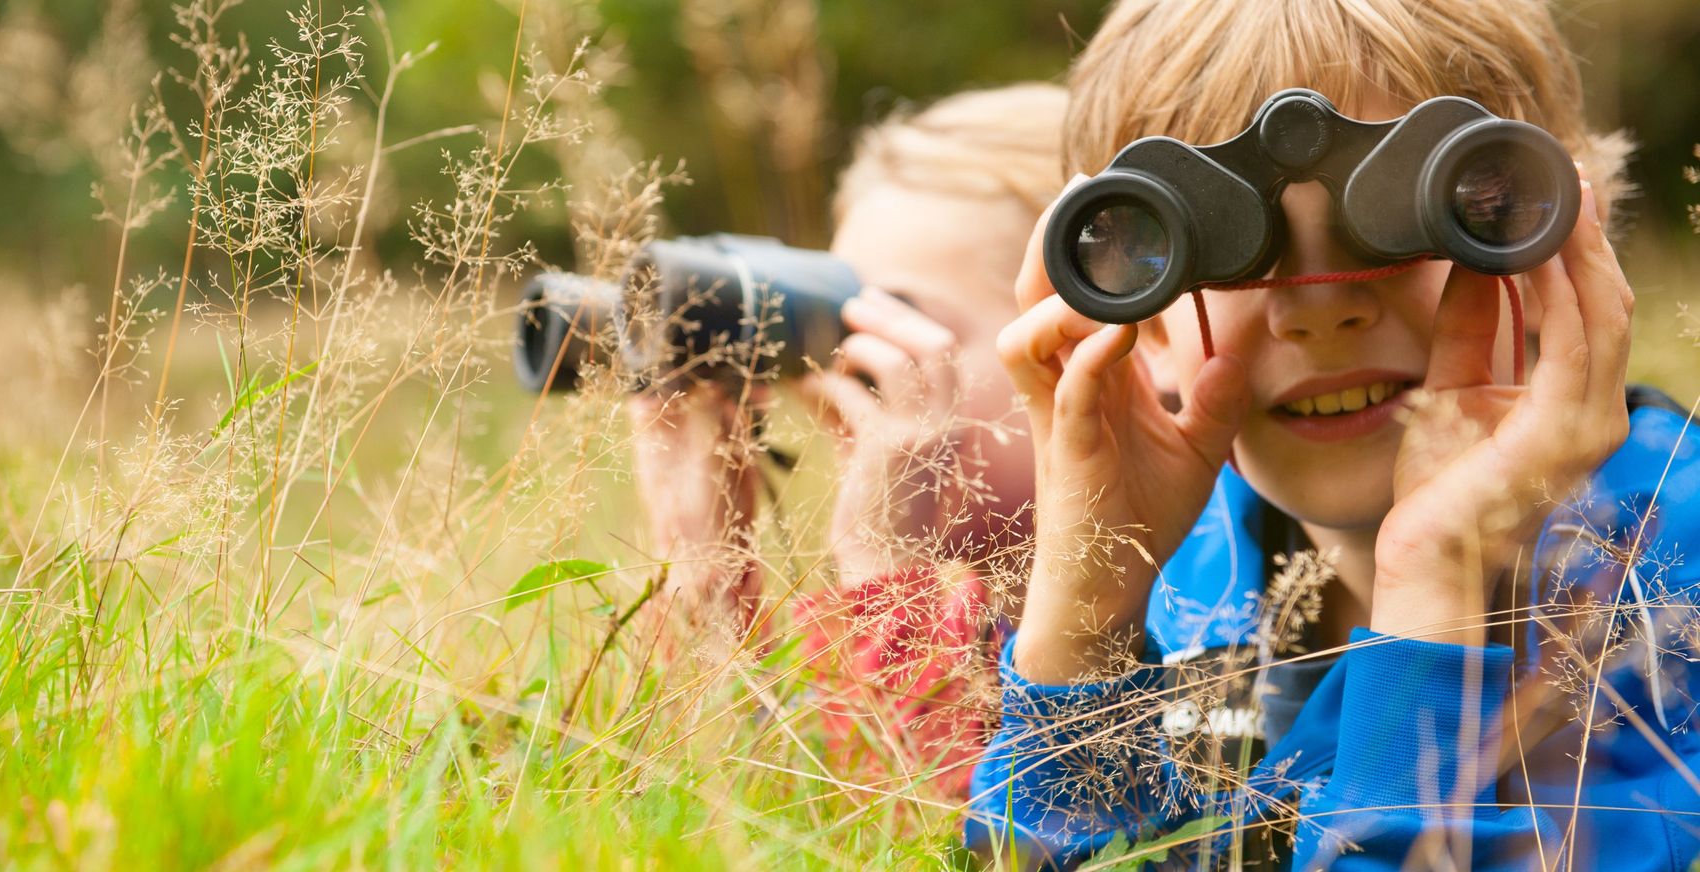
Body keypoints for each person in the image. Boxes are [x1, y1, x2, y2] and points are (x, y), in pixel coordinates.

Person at [966, 0, 1700, 868]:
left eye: (1429, 214)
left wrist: (1436, 578)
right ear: (1140, 309)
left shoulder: (1667, 585)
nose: (1321, 309)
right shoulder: (1192, 573)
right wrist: (1084, 628)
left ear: (1562, 242)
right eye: (1231, 247)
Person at [629, 83, 1073, 796]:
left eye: (898, 322)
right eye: (841, 325)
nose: (850, 367)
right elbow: (760, 825)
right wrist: (706, 575)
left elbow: (930, 841)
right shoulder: (976, 627)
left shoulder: (1193, 615)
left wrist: (884, 566)